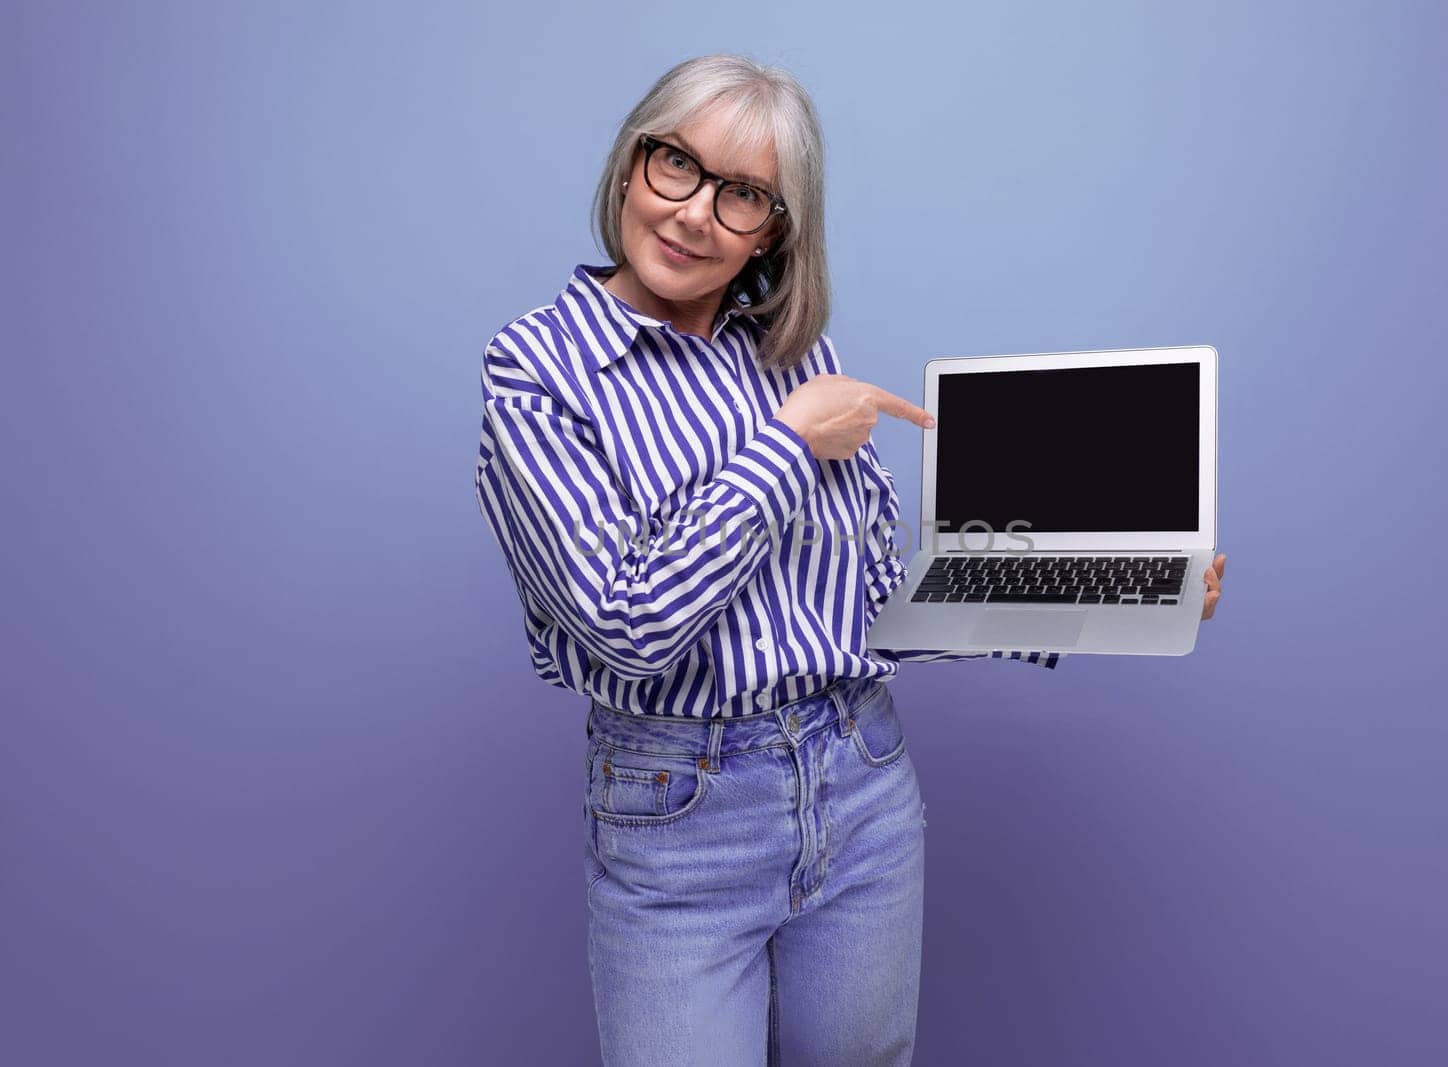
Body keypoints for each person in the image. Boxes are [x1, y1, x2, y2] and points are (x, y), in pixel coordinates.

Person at [474, 53, 1227, 1066]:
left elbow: (874, 600)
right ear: (628, 168)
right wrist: (785, 445)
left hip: (861, 781)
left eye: (742, 194)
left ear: (773, 229)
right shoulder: (535, 370)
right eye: (676, 167)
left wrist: (1106, 593)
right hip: (678, 814)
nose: (696, 214)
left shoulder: (798, 355)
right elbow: (626, 619)